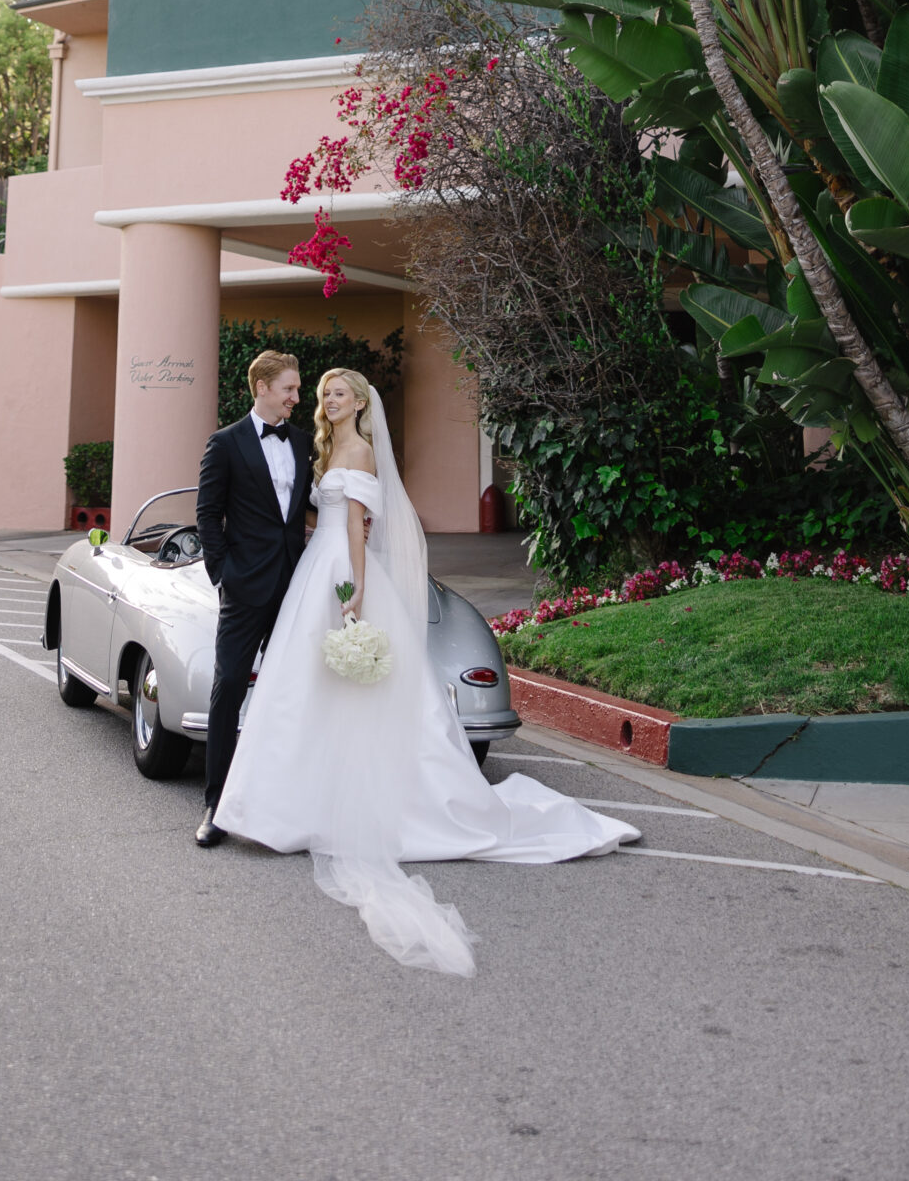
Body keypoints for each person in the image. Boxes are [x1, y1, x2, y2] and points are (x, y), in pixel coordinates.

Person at [210, 367, 639, 975]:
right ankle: (289, 804)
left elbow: (358, 528)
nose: (326, 400)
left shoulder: (355, 448)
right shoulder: (322, 448)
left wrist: (354, 591)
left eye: (338, 393)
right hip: (314, 565)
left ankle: (330, 807)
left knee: (345, 692)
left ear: (360, 403)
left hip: (341, 572)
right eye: (322, 393)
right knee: (308, 693)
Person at [193, 349, 312, 849]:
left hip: (296, 585)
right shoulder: (225, 444)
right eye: (289, 388)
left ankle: (281, 802)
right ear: (261, 387)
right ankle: (216, 806)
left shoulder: (304, 442)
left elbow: (302, 507)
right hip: (244, 589)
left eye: (298, 389)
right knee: (229, 689)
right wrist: (225, 575)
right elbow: (207, 515)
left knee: (291, 692)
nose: (296, 397)